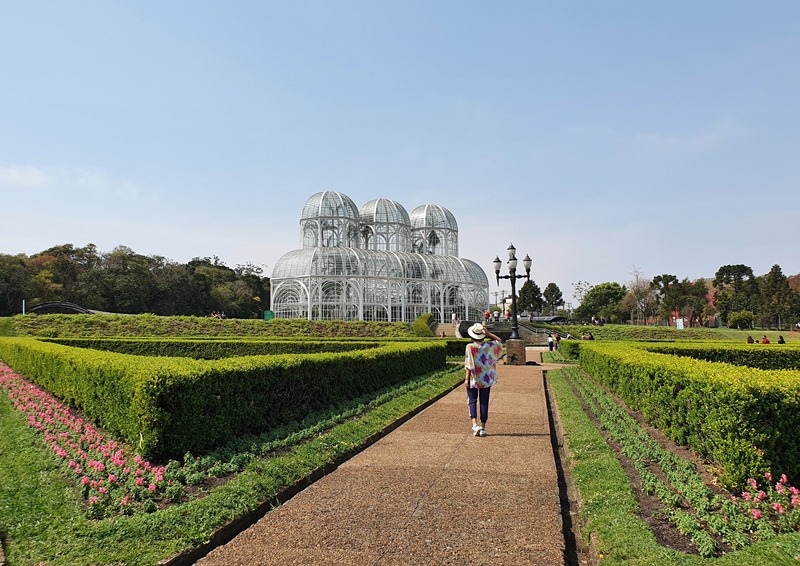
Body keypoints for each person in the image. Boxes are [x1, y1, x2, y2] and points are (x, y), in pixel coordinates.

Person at [464, 323, 502, 437]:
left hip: (473, 378)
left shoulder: (470, 347)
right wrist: (489, 333)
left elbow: (468, 364)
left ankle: (475, 425)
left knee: (472, 401)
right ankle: (484, 427)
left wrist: (466, 379)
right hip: (485, 379)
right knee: (484, 402)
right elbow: (499, 341)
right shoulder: (488, 346)